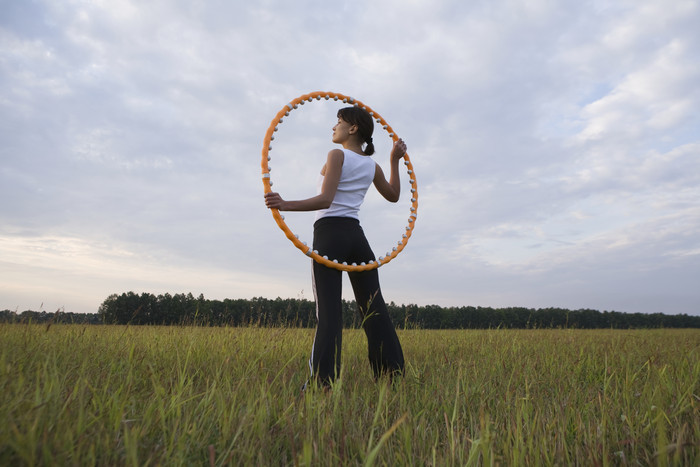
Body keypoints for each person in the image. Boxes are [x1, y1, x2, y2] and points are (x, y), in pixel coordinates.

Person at [264, 105, 406, 388]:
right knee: (373, 308)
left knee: (329, 314)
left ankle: (322, 384)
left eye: (339, 122)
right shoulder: (371, 165)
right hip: (356, 237)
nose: (334, 127)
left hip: (330, 234)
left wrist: (285, 204)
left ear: (353, 128)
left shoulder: (336, 154)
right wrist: (394, 160)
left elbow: (326, 199)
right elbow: (394, 195)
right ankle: (392, 377)